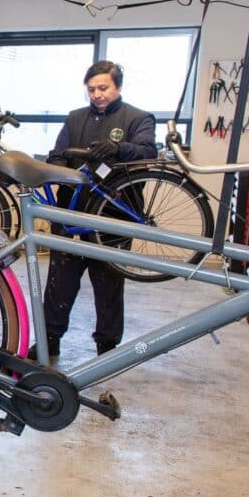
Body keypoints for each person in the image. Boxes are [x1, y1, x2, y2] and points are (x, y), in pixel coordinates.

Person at [41, 60, 157, 360]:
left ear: (117, 87)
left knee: (108, 284)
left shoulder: (138, 118)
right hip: (73, 211)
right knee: (59, 283)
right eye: (91, 89)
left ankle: (107, 347)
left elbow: (148, 151)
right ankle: (49, 340)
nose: (97, 94)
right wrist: (62, 171)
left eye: (103, 88)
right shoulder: (74, 118)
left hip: (115, 214)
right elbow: (56, 155)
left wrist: (120, 149)